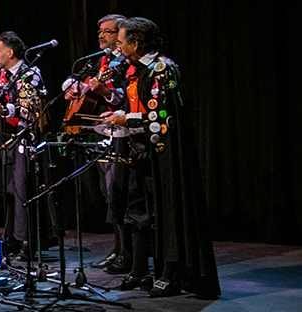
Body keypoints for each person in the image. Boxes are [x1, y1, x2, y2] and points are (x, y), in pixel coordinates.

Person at [99, 17, 219, 298]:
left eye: (121, 41)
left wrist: (126, 119)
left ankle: (170, 274)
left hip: (164, 156)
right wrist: (119, 118)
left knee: (168, 212)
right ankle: (140, 271)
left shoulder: (162, 70)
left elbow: (163, 116)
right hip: (139, 151)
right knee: (137, 211)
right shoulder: (136, 70)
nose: (118, 45)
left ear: (136, 43)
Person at [0, 32, 54, 261]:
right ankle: (12, 238)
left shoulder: (30, 74)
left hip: (23, 140)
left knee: (23, 191)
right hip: (0, 141)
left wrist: (3, 110)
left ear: (10, 52)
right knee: (6, 192)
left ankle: (28, 242)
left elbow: (31, 108)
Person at [60, 14, 136, 271]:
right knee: (109, 194)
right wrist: (72, 87)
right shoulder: (100, 60)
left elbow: (125, 99)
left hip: (124, 135)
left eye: (107, 31)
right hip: (101, 133)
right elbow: (73, 80)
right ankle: (118, 250)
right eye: (99, 31)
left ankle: (129, 254)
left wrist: (105, 92)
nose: (101, 35)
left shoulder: (126, 63)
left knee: (120, 194)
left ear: (120, 34)